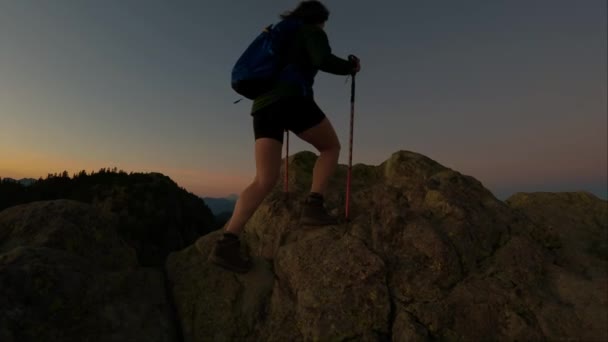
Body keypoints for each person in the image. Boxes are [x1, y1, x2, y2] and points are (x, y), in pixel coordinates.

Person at [209, 0, 361, 273]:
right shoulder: (311, 31)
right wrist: (350, 67)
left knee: (264, 179)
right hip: (292, 99)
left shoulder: (280, 32)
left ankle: (226, 243)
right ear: (319, 19)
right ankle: (314, 206)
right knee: (330, 147)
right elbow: (321, 60)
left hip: (263, 106)